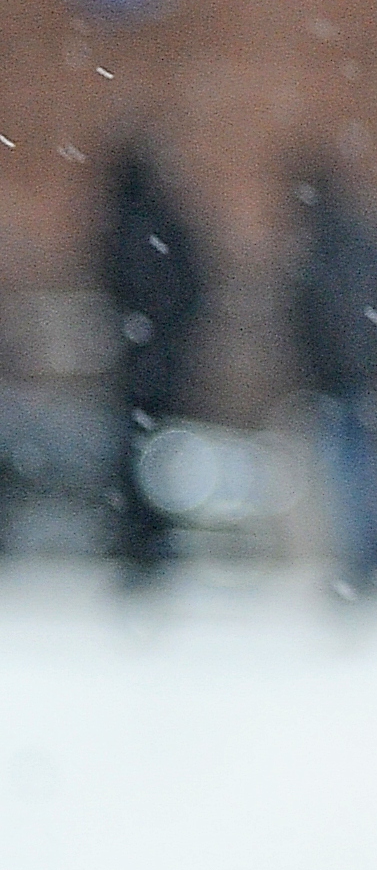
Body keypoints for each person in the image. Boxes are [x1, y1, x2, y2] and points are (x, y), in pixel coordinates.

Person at [286, 161, 377, 596]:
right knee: (364, 477)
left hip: (344, 377)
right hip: (360, 375)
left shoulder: (326, 246)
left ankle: (365, 563)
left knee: (352, 479)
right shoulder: (360, 240)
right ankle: (370, 561)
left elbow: (316, 313)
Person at [93, 136, 211, 584]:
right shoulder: (165, 221)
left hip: (140, 362)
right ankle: (153, 540)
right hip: (159, 360)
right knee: (156, 456)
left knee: (137, 457)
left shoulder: (129, 223)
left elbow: (126, 284)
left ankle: (142, 542)